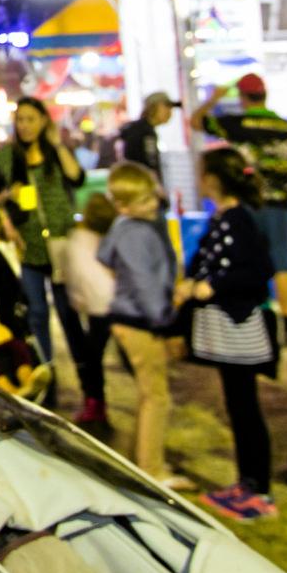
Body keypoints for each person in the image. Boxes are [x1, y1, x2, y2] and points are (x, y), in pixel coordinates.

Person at [183, 148, 281, 523]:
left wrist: (212, 287)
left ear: (212, 179)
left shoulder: (238, 220)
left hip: (239, 328)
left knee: (246, 409)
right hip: (226, 329)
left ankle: (259, 490)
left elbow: (258, 271)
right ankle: (247, 483)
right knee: (238, 408)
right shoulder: (225, 218)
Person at [192, 73, 287, 344]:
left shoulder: (235, 123)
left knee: (246, 261)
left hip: (247, 203)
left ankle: (257, 316)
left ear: (243, 98)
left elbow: (196, 121)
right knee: (282, 265)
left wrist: (214, 98)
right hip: (279, 203)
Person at [99, 163, 182, 487]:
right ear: (123, 205)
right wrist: (162, 320)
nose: (153, 205)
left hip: (131, 317)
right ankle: (152, 468)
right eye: (145, 200)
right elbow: (145, 282)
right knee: (156, 396)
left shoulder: (125, 227)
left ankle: (143, 461)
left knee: (150, 395)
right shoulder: (137, 232)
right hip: (141, 320)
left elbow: (107, 257)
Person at [0, 98, 85, 377]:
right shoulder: (6, 156)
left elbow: (76, 177)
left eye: (31, 119)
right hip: (27, 242)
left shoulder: (55, 152)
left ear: (44, 121)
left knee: (69, 313)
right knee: (36, 313)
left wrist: (57, 144)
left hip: (61, 240)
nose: (25, 126)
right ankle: (45, 371)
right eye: (20, 119)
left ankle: (85, 377)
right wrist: (9, 196)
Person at [54, 190, 119, 430]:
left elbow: (74, 275)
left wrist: (76, 298)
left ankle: (95, 403)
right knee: (108, 357)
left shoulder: (77, 239)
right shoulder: (113, 235)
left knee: (92, 358)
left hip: (96, 307)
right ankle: (96, 403)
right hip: (115, 305)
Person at [118, 91, 174, 177]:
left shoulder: (140, 128)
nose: (170, 112)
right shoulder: (145, 131)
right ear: (153, 107)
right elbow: (149, 163)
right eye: (166, 107)